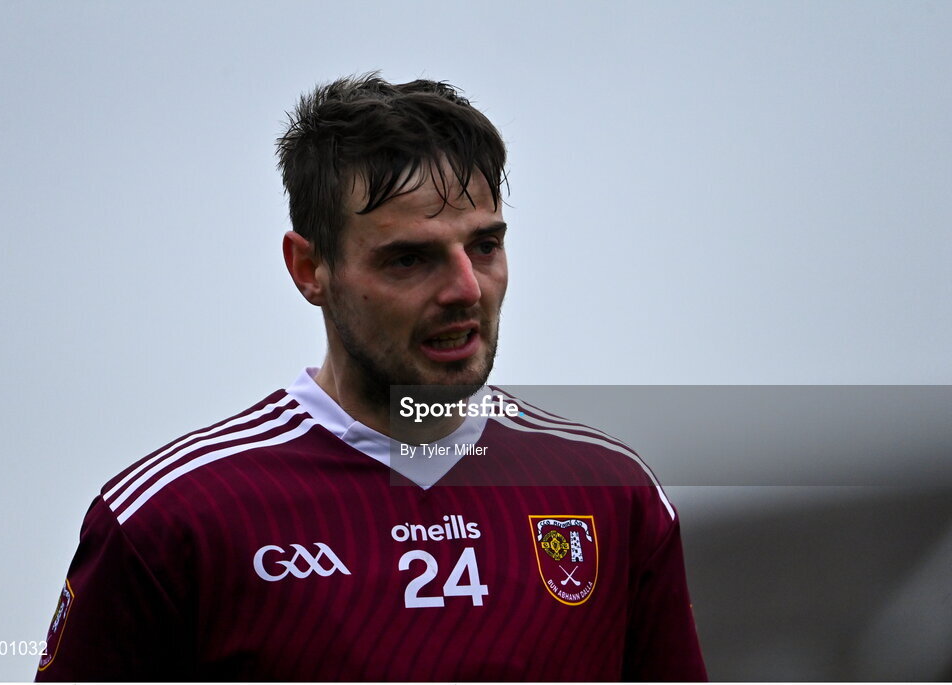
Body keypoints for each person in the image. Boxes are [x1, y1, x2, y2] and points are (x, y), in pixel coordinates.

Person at [36, 73, 707, 681]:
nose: (466, 289)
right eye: (410, 259)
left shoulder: (610, 494)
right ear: (309, 269)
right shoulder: (173, 520)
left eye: (485, 245)